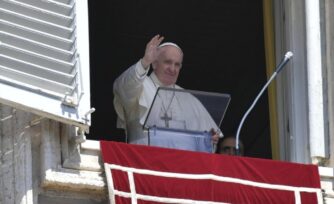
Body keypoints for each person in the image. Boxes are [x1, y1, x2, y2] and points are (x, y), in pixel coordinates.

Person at [113, 34, 221, 152]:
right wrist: (144, 62)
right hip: (144, 159)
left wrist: (208, 138)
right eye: (168, 62)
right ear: (154, 63)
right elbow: (122, 87)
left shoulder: (188, 98)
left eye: (177, 64)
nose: (172, 69)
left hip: (181, 165)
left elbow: (205, 141)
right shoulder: (141, 84)